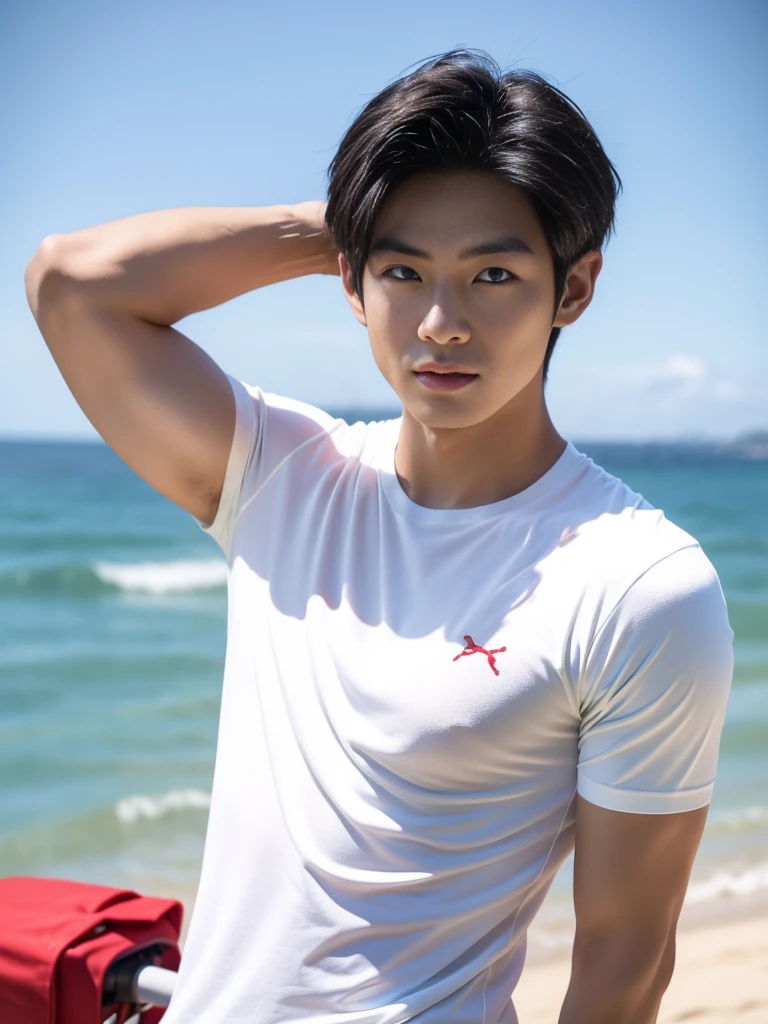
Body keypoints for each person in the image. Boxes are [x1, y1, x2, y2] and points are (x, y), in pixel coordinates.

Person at [25, 48, 733, 1024]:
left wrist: (396, 237)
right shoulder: (281, 475)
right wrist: (349, 226)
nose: (442, 322)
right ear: (353, 284)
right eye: (405, 272)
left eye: (494, 272)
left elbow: (624, 961)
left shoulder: (640, 581)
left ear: (572, 291)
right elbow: (73, 281)